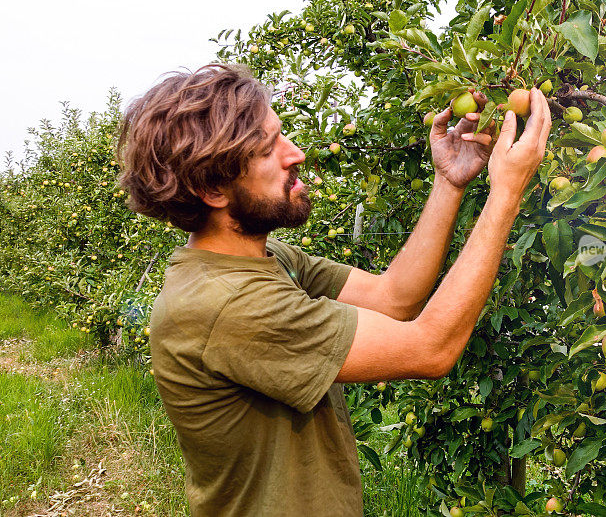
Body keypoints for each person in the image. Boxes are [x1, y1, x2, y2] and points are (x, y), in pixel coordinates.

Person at [117, 63, 551, 516]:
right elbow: (431, 348)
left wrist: (448, 180)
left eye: (282, 134)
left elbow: (395, 298)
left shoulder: (265, 258)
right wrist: (506, 194)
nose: (296, 153)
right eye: (269, 150)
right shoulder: (228, 303)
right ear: (211, 189)